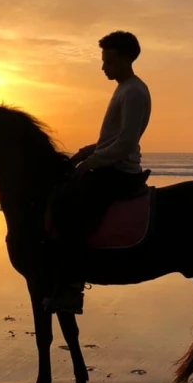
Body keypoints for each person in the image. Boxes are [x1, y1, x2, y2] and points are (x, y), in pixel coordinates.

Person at [45, 31, 152, 314]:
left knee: (71, 209)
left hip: (118, 171)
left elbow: (126, 143)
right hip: (109, 164)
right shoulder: (124, 88)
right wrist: (83, 153)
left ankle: (71, 289)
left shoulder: (134, 92)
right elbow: (111, 139)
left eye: (109, 61)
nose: (104, 67)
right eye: (104, 61)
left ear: (126, 59)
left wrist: (90, 164)